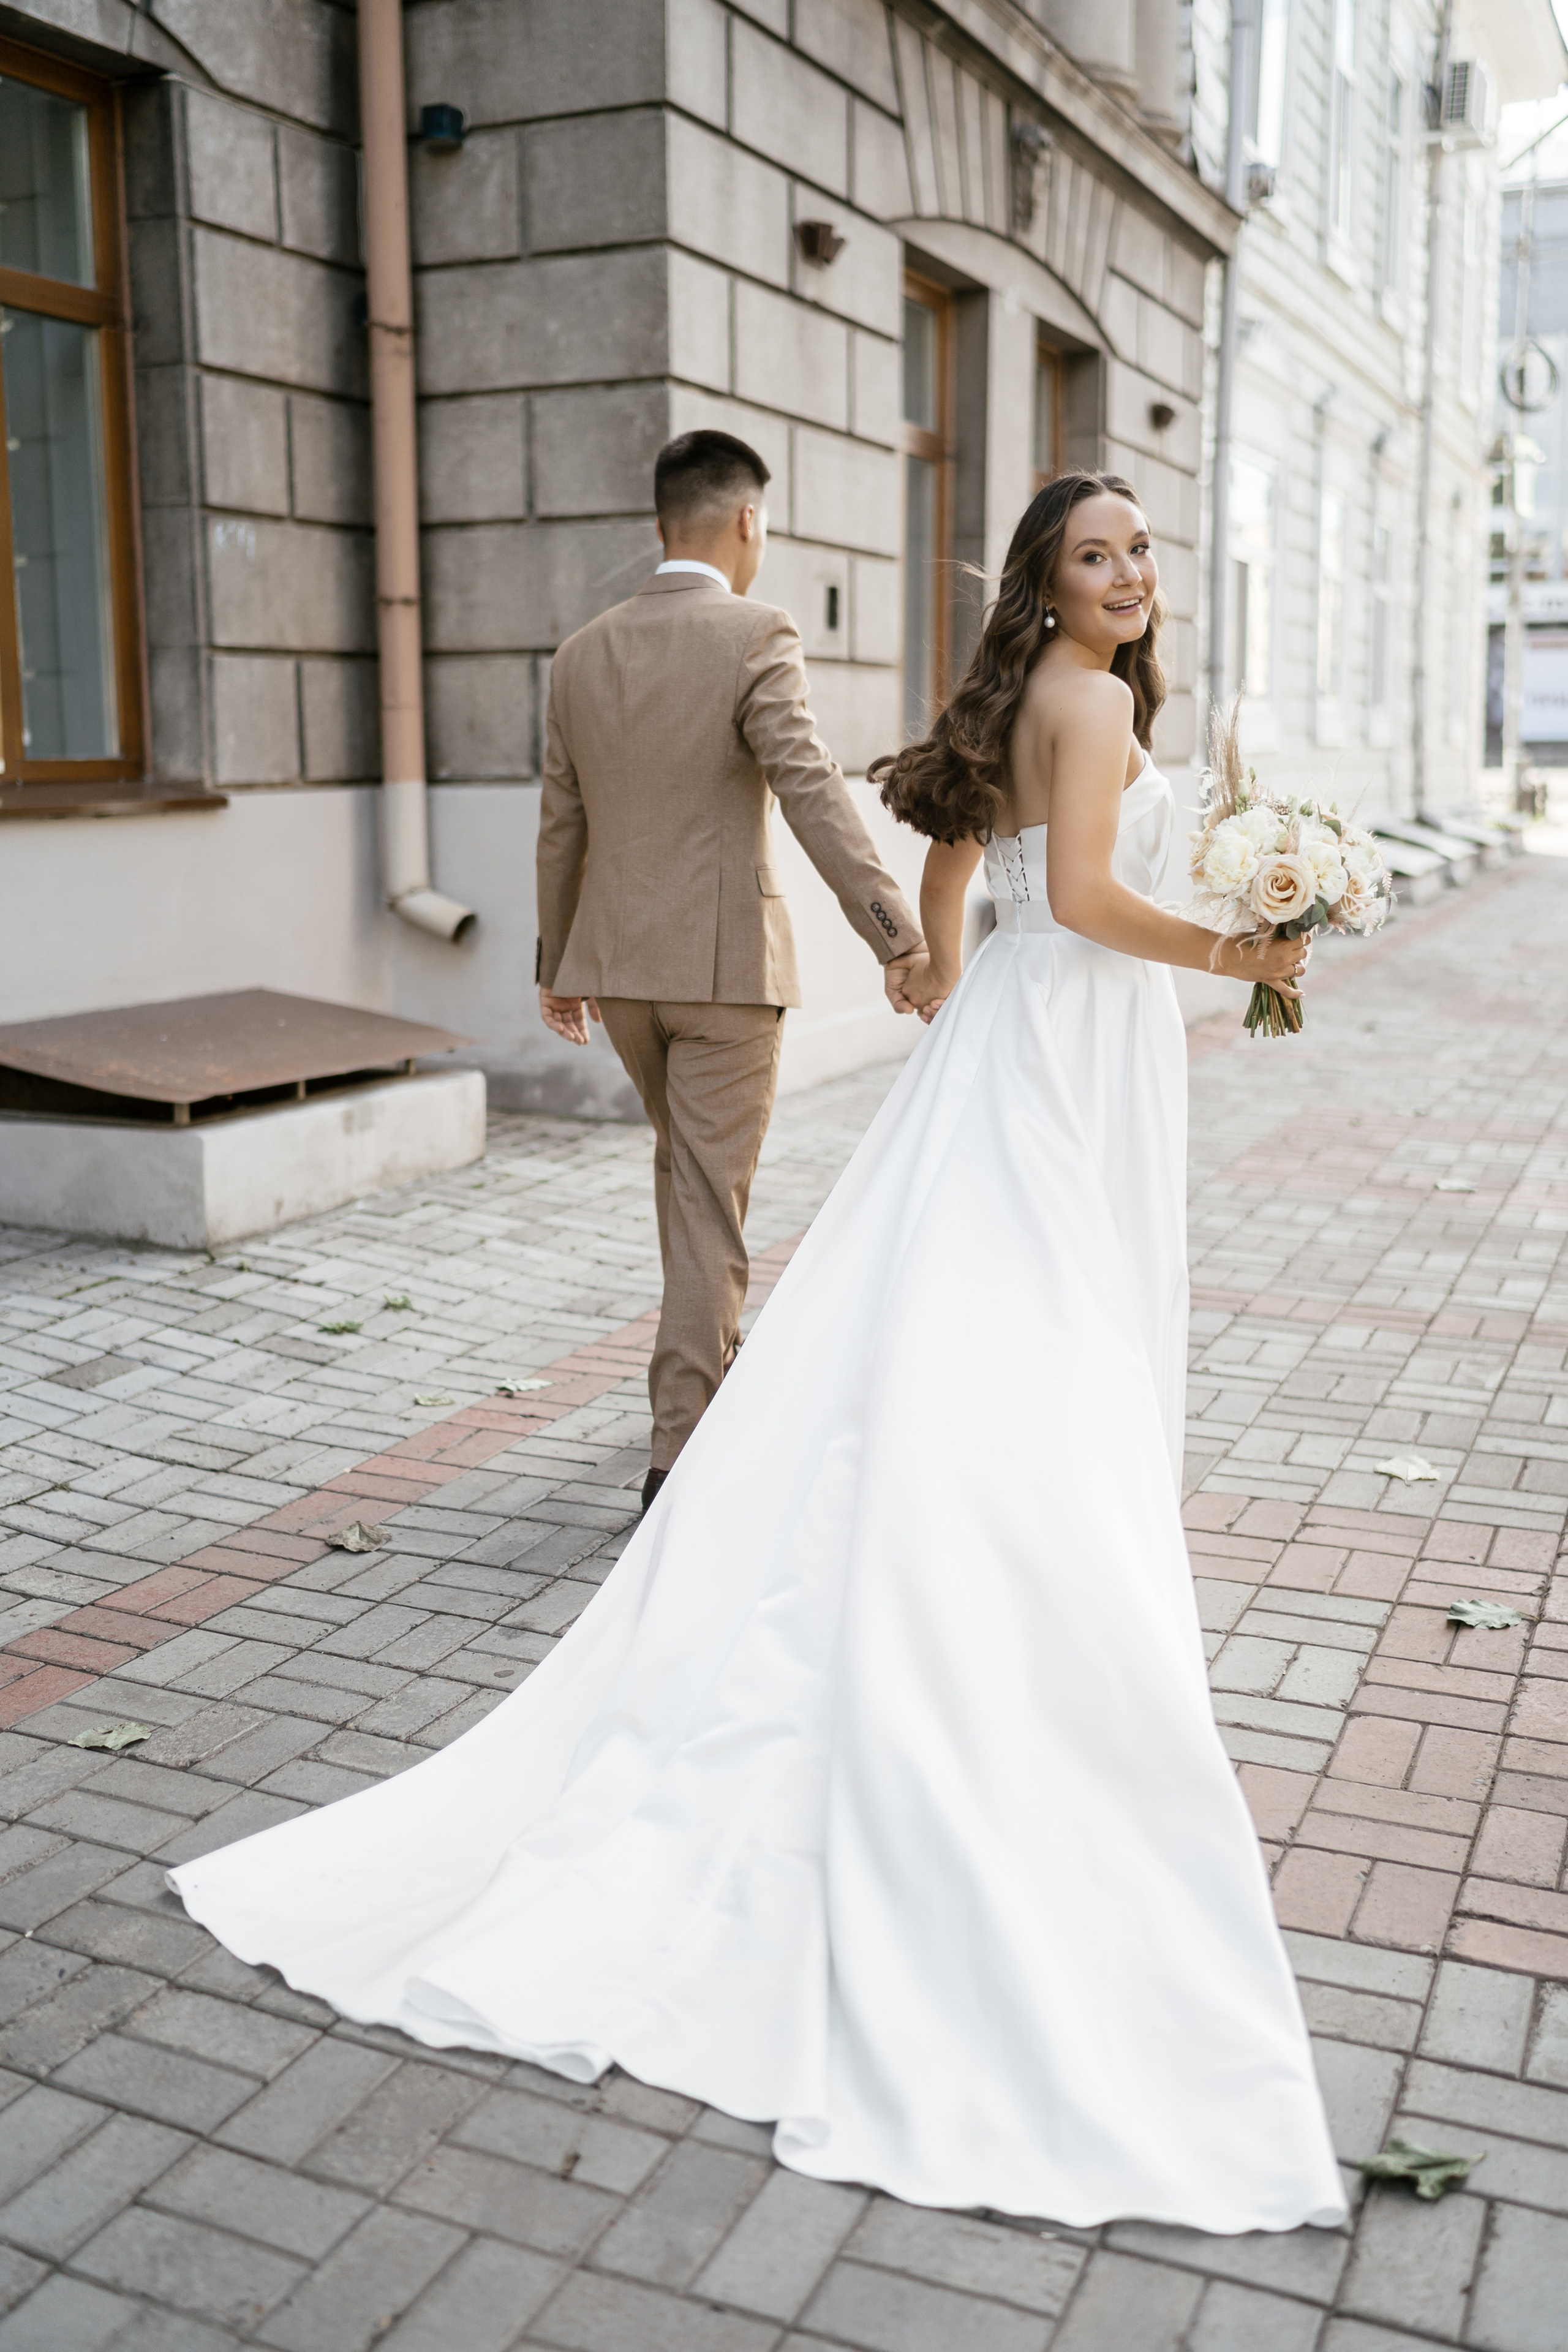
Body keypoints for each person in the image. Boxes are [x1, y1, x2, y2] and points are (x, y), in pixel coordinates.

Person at [170, 470, 1344, 2234]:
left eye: (1140, 550)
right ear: (1046, 583)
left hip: (1013, 1039)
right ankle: (1021, 1592)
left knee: (965, 1319)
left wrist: (941, 967)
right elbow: (1092, 897)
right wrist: (1240, 946)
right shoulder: (1090, 700)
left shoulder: (1029, 698)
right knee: (1044, 1323)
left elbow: (971, 847)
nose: (1129, 575)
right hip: (1076, 1038)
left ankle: (936, 1534)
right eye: (1095, 555)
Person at [534, 429, 924, 1513]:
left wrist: (554, 962)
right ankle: (681, 1457)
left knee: (684, 1182)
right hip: (727, 976)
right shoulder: (757, 631)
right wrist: (897, 932)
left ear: (663, 522)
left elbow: (559, 823)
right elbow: (811, 788)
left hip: (619, 977)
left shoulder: (581, 651)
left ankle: (717, 1374)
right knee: (708, 1201)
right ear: (747, 521)